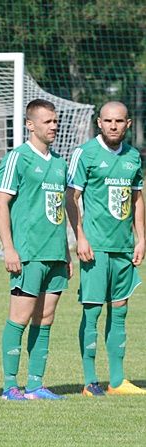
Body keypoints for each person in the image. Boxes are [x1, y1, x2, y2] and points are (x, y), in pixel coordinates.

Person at [66, 101, 146, 396]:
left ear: (128, 124)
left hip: (123, 248)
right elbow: (71, 197)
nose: (114, 126)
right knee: (92, 311)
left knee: (121, 310)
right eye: (108, 121)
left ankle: (117, 380)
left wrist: (141, 238)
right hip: (95, 248)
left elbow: (137, 199)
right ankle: (90, 381)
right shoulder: (85, 154)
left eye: (119, 121)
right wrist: (80, 237)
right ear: (99, 123)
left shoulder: (133, 157)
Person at [0, 99, 70, 401]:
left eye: (55, 121)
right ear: (30, 124)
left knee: (46, 317)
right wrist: (9, 249)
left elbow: (59, 210)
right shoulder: (18, 158)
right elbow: (1, 203)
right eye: (48, 121)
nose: (54, 126)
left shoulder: (60, 163)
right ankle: (10, 385)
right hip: (28, 252)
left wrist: (67, 251)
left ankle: (36, 384)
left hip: (55, 253)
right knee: (20, 317)